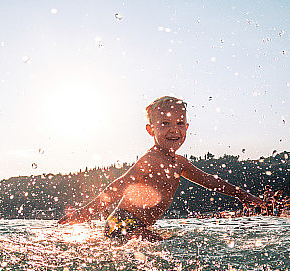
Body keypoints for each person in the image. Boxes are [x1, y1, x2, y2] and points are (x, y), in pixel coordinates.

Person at [57, 96, 263, 240]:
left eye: (180, 123)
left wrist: (241, 195)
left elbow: (209, 181)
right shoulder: (151, 160)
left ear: (187, 128)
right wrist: (84, 213)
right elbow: (119, 186)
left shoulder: (179, 163)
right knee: (166, 247)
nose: (174, 129)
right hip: (121, 224)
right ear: (150, 129)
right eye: (164, 123)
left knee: (165, 243)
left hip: (135, 226)